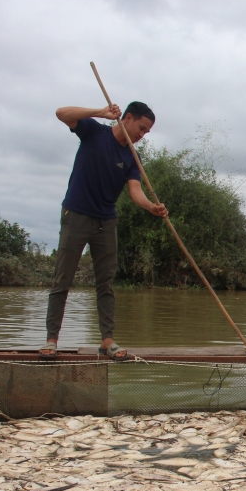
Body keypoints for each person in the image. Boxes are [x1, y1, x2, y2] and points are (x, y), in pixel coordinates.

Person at [40, 101, 168, 361]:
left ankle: (107, 340)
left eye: (146, 133)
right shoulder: (93, 131)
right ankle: (51, 340)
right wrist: (100, 112)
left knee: (106, 283)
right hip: (76, 214)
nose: (142, 136)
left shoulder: (132, 156)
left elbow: (135, 192)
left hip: (106, 221)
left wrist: (151, 207)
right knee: (62, 280)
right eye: (141, 128)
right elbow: (61, 113)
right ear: (128, 118)